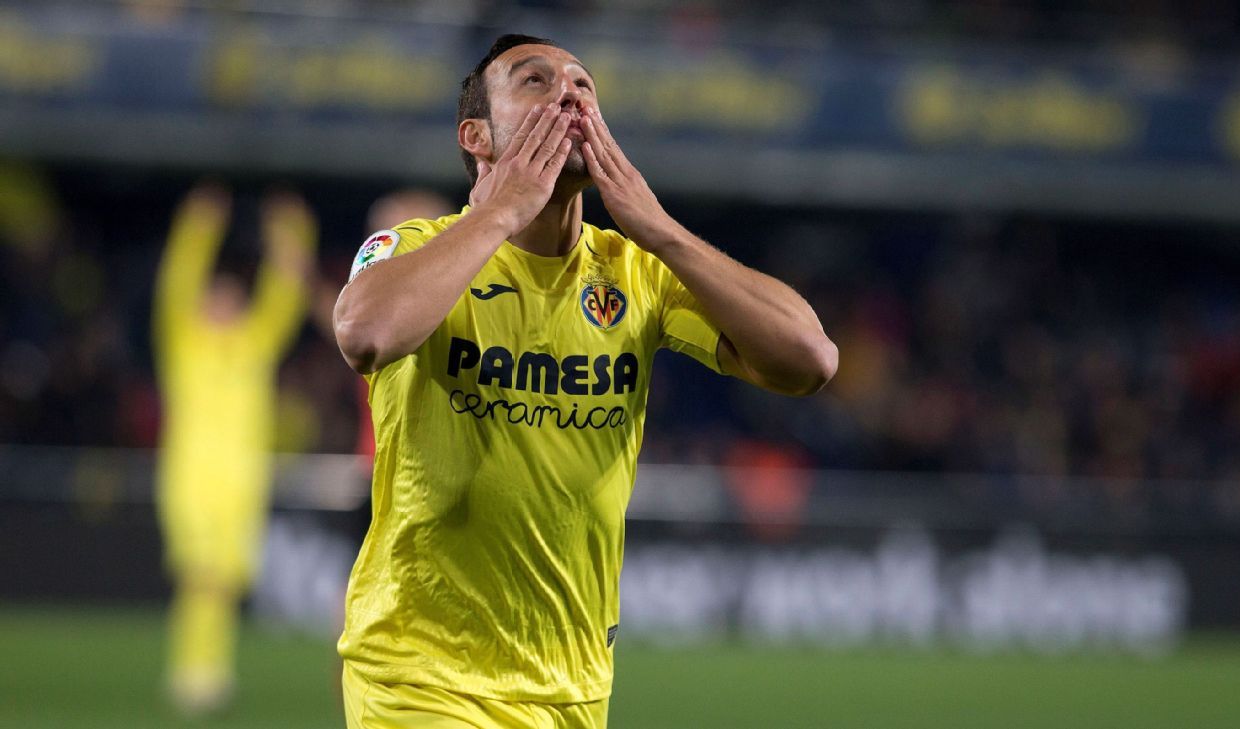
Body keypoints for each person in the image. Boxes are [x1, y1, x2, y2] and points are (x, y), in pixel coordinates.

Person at [332, 34, 838, 729]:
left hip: (573, 688)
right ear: (476, 136)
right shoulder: (413, 248)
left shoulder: (636, 272)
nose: (568, 93)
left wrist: (661, 230)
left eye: (582, 85)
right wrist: (501, 211)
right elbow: (365, 332)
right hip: (422, 677)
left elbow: (811, 359)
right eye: (534, 81)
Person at [154, 182, 316, 714]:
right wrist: (198, 228)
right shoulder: (185, 342)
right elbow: (175, 284)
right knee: (201, 577)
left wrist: (291, 231)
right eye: (213, 298)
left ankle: (209, 673)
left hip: (243, 481)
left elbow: (284, 295)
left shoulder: (253, 344)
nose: (221, 306)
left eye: (230, 300)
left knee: (221, 584)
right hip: (190, 478)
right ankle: (193, 674)